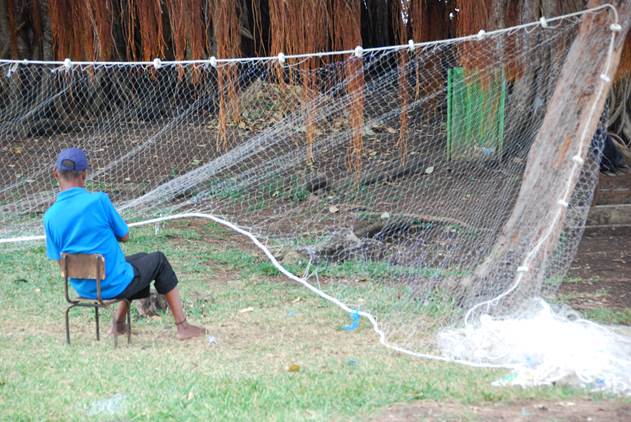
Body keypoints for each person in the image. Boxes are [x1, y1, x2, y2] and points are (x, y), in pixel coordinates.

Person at [43, 147, 205, 340]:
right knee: (159, 260)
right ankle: (183, 327)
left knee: (141, 259)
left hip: (83, 288)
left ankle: (118, 325)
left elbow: (58, 258)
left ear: (55, 173)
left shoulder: (49, 216)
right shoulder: (98, 201)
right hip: (112, 284)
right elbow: (125, 235)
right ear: (84, 174)